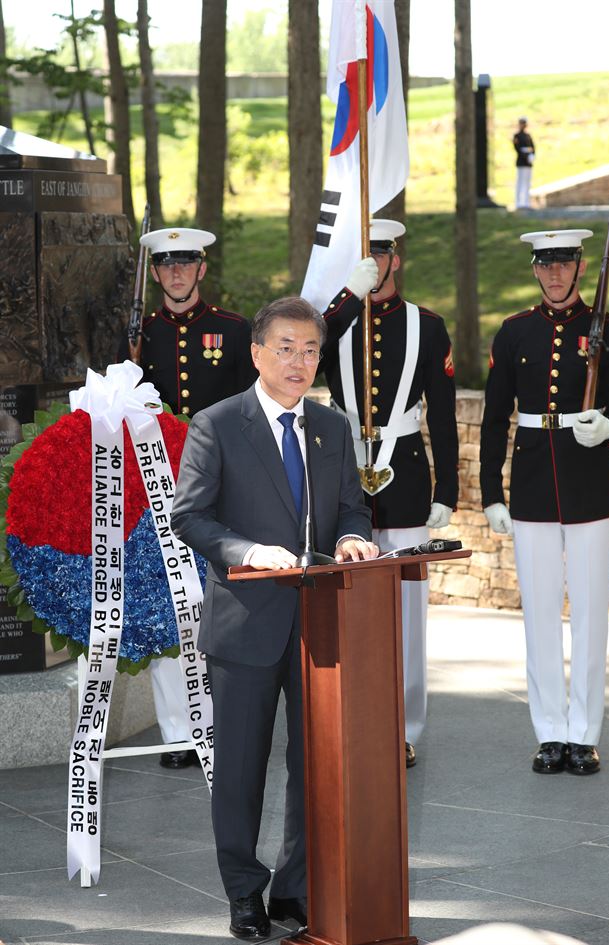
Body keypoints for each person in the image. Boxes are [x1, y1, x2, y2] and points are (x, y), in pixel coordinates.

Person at [170, 296, 376, 939]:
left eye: (310, 349)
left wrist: (350, 538)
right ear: (257, 354)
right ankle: (243, 895)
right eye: (285, 347)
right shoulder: (217, 424)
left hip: (320, 622)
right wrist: (249, 551)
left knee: (314, 764)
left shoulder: (332, 427)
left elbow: (352, 508)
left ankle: (294, 890)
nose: (299, 361)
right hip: (247, 621)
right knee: (240, 768)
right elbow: (190, 515)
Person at [480, 228, 609, 776]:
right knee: (541, 613)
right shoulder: (514, 333)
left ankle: (584, 735)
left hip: (590, 485)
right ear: (534, 269)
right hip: (531, 487)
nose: (554, 275)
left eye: (564, 265)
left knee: (590, 613)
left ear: (579, 266)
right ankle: (550, 733)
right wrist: (492, 495)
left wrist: (608, 428)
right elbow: (495, 419)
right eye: (545, 265)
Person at [320, 219, 459, 768]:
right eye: (364, 256)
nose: (375, 264)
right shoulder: (333, 322)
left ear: (395, 259)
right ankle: (350, 718)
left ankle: (403, 726)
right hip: (342, 474)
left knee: (406, 610)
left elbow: (444, 417)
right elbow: (305, 344)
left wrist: (446, 488)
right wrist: (347, 296)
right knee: (343, 606)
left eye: (382, 255)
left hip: (403, 473)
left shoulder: (428, 325)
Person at [119, 227, 258, 769]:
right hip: (154, 486)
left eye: (185, 264)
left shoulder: (232, 329)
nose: (176, 273)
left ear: (201, 269)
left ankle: (226, 719)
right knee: (165, 604)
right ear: (155, 274)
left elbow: (251, 411)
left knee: (221, 603)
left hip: (220, 485)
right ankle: (178, 731)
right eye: (166, 265)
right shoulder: (139, 334)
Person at [513, 117, 535, 210]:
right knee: (520, 182)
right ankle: (518, 202)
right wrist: (525, 155)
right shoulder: (517, 136)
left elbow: (532, 147)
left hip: (528, 163)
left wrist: (531, 156)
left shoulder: (528, 136)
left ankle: (526, 202)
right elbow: (517, 148)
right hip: (521, 162)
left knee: (527, 182)